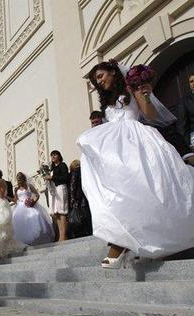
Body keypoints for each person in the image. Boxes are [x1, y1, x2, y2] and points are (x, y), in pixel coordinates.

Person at [78, 60, 194, 268]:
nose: (99, 81)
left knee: (142, 191)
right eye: (96, 80)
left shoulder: (132, 89)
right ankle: (124, 238)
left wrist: (146, 94)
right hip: (117, 147)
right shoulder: (106, 104)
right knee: (119, 192)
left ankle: (121, 243)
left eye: (101, 75)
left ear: (113, 72)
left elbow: (150, 115)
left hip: (136, 141)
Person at [11, 172, 54, 245]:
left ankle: (36, 239)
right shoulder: (16, 189)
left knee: (35, 216)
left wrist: (33, 201)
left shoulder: (29, 186)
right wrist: (7, 197)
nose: (19, 181)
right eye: (18, 180)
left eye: (20, 179)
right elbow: (15, 200)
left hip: (29, 206)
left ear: (23, 179)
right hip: (19, 207)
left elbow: (37, 195)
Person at [43, 150, 69, 241]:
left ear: (59, 156)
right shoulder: (52, 169)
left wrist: (52, 177)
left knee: (62, 211)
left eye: (55, 155)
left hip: (61, 188)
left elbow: (65, 178)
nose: (53, 157)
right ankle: (61, 235)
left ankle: (63, 235)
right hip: (54, 191)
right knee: (56, 213)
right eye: (52, 155)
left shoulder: (62, 165)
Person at [67, 160, 92, 238]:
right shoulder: (86, 172)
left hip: (78, 200)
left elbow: (72, 187)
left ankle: (78, 232)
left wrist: (72, 200)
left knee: (78, 217)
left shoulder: (75, 172)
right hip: (86, 199)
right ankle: (88, 231)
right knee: (86, 217)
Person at [176, 73, 194, 149]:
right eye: (191, 81)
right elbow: (182, 127)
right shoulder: (184, 102)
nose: (193, 83)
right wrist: (187, 148)